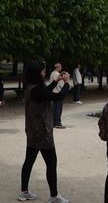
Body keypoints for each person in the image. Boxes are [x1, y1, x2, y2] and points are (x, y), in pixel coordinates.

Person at [18, 63, 72, 203]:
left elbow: (45, 92)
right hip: (43, 133)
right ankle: (54, 196)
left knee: (29, 161)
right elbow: (59, 97)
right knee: (51, 162)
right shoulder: (37, 90)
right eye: (42, 72)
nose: (44, 74)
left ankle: (24, 192)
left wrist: (56, 81)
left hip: (32, 131)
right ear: (37, 73)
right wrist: (66, 83)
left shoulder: (30, 88)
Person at [49, 62, 67, 129]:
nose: (61, 68)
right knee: (58, 109)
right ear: (58, 67)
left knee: (54, 109)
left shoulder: (52, 73)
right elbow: (61, 85)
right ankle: (58, 123)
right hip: (58, 93)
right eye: (60, 67)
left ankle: (54, 122)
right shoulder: (57, 74)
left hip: (53, 93)